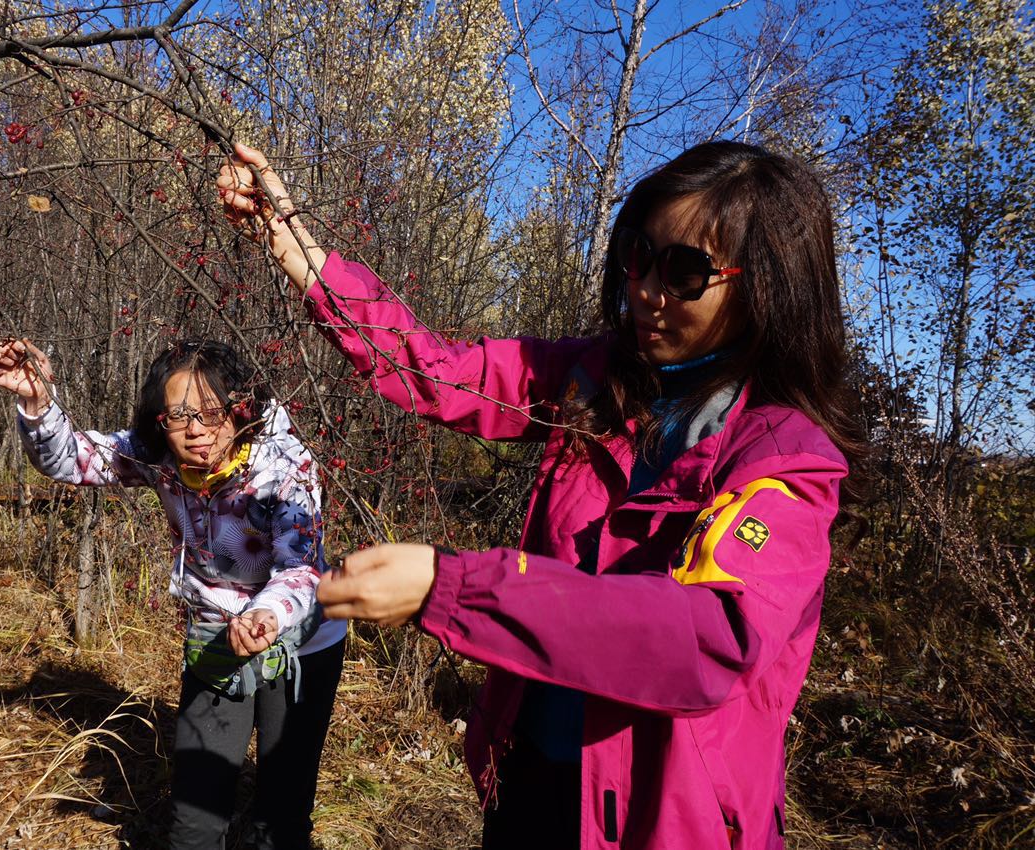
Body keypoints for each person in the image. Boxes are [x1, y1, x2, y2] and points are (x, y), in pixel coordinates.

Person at [217, 141, 864, 850]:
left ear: (765, 287)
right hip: (532, 775)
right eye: (639, 256)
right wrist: (296, 249)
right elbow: (436, 370)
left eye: (685, 273)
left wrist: (454, 588)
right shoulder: (593, 381)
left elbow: (709, 638)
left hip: (662, 821)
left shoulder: (785, 462)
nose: (647, 290)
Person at [0, 338, 346, 850]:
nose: (197, 430)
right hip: (217, 635)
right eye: (179, 417)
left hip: (302, 643)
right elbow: (74, 460)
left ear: (241, 407)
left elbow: (301, 568)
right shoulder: (159, 457)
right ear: (159, 421)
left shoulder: (283, 466)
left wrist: (265, 614)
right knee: (195, 819)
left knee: (281, 816)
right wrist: (39, 403)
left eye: (213, 412)